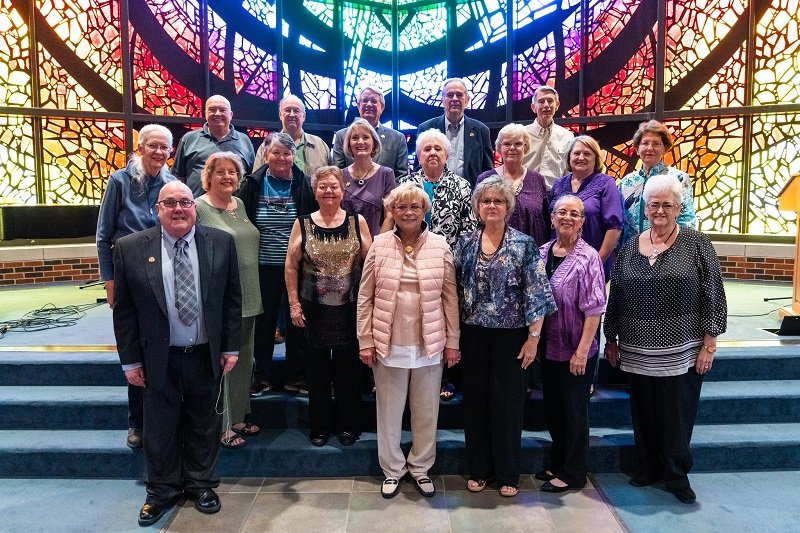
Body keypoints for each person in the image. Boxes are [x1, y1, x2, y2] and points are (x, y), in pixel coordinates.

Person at [112, 181, 241, 527]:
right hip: (158, 358)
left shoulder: (221, 243)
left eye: (185, 202)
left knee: (203, 423)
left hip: (204, 353)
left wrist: (230, 346)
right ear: (158, 209)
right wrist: (130, 361)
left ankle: (201, 484)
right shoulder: (130, 248)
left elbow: (231, 299)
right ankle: (161, 491)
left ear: (194, 207)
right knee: (159, 427)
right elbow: (123, 311)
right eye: (170, 203)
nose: (179, 209)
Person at [604, 174, 727, 504]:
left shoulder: (696, 243)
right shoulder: (631, 246)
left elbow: (713, 294)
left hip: (681, 350)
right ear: (645, 207)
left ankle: (676, 473)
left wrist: (709, 343)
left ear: (679, 207)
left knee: (677, 414)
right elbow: (616, 294)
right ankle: (648, 467)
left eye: (667, 205)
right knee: (643, 412)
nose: (660, 210)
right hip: (636, 348)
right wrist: (611, 337)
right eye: (654, 204)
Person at [357, 182, 460, 500]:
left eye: (414, 207)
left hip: (429, 342)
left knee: (426, 410)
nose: (408, 212)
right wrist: (365, 339)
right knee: (388, 410)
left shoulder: (440, 245)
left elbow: (450, 297)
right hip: (388, 340)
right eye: (401, 206)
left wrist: (453, 340)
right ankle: (392, 469)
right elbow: (365, 295)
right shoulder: (380, 244)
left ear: (424, 210)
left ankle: (420, 467)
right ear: (392, 210)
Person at [455, 177, 556, 497]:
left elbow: (537, 294)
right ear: (477, 207)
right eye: (486, 201)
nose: (492, 206)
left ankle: (508, 473)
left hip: (512, 337)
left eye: (498, 201)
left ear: (508, 207)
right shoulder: (466, 242)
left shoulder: (524, 244)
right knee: (476, 404)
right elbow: (453, 291)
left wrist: (533, 338)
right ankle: (480, 469)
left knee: (508, 405)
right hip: (473, 335)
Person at [96, 123, 175, 450]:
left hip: (162, 271)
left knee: (160, 345)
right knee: (136, 347)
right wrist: (109, 279)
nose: (158, 152)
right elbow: (103, 235)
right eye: (152, 146)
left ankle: (164, 418)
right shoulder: (119, 180)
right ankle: (137, 422)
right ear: (140, 147)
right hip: (127, 271)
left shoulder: (172, 184)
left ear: (170, 151)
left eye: (164, 147)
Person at [285, 166, 372, 447]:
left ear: (343, 189)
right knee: (317, 373)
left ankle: (349, 426)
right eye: (323, 186)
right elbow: (290, 266)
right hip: (314, 310)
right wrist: (294, 303)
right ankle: (320, 427)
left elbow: (370, 265)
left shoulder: (357, 221)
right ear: (315, 191)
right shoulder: (303, 223)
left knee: (349, 371)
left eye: (334, 186)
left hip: (350, 309)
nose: (329, 191)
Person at [238, 132, 318, 396]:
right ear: (266, 153)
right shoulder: (252, 184)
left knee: (298, 321)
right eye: (276, 153)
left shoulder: (304, 184)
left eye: (287, 153)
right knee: (264, 322)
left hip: (297, 267)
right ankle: (261, 375)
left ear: (293, 155)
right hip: (262, 265)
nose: (282, 158)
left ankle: (297, 375)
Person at [537, 195, 606, 493]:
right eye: (562, 212)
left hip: (577, 350)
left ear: (582, 221)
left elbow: (594, 309)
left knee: (574, 411)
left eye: (574, 214)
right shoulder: (540, 253)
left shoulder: (588, 257)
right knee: (554, 409)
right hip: (549, 348)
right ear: (552, 218)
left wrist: (581, 352)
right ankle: (559, 461)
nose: (567, 217)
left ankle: (574, 472)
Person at [400, 128, 476, 401]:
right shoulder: (406, 184)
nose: (432, 153)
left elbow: (469, 230)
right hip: (409, 265)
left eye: (438, 149)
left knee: (445, 319)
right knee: (415, 316)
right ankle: (411, 372)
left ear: (447, 155)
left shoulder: (462, 186)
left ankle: (447, 375)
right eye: (426, 149)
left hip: (448, 265)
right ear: (418, 155)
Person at [195, 152, 263, 449]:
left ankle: (237, 416)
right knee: (224, 360)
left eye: (232, 172)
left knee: (244, 358)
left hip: (250, 293)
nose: (226, 177)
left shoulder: (241, 204)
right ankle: (222, 425)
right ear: (208, 176)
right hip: (222, 298)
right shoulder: (199, 207)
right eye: (219, 171)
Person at [550, 135, 624, 281]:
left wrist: (596, 263)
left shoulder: (605, 183)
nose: (581, 157)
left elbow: (614, 227)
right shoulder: (558, 184)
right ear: (569, 157)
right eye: (577, 153)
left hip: (591, 266)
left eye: (587, 154)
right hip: (557, 263)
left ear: (596, 159)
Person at [617, 119, 695, 243]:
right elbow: (618, 221)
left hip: (667, 251)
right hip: (631, 253)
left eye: (656, 144)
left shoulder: (678, 179)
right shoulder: (626, 183)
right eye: (645, 143)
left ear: (665, 149)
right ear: (637, 149)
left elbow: (686, 220)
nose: (650, 148)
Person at [477, 123, 549, 247]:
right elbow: (477, 218)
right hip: (495, 253)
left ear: (525, 147)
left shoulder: (537, 180)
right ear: (499, 148)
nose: (512, 148)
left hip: (534, 252)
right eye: (506, 144)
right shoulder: (485, 179)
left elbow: (547, 220)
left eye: (518, 144)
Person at [416, 78, 493, 188]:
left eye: (459, 95)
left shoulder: (481, 130)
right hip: (433, 196)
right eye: (450, 95)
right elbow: (418, 167)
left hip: (471, 197)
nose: (455, 99)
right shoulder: (426, 128)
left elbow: (488, 172)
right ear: (442, 100)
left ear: (467, 100)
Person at [172, 95, 255, 197]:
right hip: (196, 207)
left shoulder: (244, 140)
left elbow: (252, 177)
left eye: (222, 110)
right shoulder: (189, 139)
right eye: (212, 110)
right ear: (205, 113)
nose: (217, 113)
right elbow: (178, 176)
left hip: (235, 207)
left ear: (231, 114)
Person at [332, 86, 409, 179]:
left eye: (373, 101)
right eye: (365, 100)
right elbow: (338, 172)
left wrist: (389, 193)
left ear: (382, 107)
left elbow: (401, 176)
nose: (369, 104)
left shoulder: (397, 138)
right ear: (358, 105)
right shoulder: (342, 136)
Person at [341, 118, 397, 236]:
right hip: (345, 244)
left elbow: (390, 216)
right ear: (349, 145)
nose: (360, 142)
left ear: (374, 144)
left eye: (366, 137)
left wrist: (378, 246)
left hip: (377, 243)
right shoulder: (340, 175)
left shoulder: (386, 174)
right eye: (355, 138)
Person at [253, 95, 331, 178]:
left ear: (304, 116)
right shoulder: (266, 146)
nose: (292, 114)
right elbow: (256, 180)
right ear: (280, 115)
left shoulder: (320, 145)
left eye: (296, 111)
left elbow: (331, 178)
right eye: (287, 110)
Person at [522, 85, 574, 189]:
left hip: (556, 194)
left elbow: (569, 171)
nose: (546, 105)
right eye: (541, 101)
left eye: (550, 101)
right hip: (526, 192)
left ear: (557, 105)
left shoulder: (567, 136)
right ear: (533, 107)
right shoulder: (522, 134)